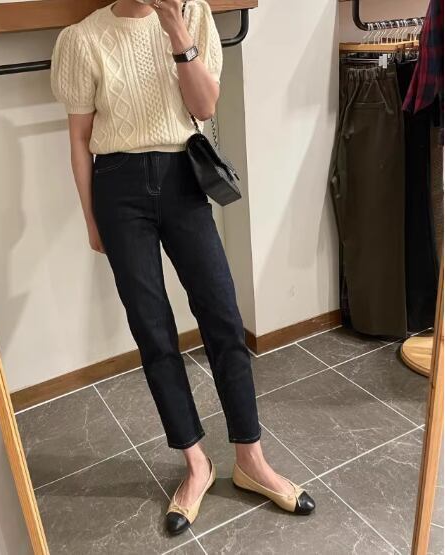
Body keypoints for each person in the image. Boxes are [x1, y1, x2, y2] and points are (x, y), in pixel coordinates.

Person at [50, 0, 315, 536]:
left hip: (182, 178)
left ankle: (251, 458)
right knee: (152, 330)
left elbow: (205, 106)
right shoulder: (83, 39)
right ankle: (196, 464)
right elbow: (79, 139)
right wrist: (91, 218)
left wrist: (174, 28)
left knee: (222, 316)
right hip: (118, 187)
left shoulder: (191, 14)